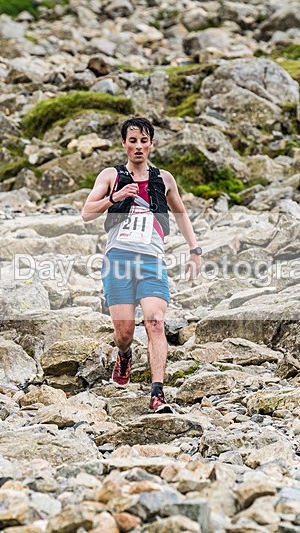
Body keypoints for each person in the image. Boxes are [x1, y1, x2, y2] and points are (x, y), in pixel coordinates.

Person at [81, 117, 203, 413]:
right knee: (123, 332)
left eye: (144, 141)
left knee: (155, 321)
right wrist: (116, 196)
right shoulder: (111, 175)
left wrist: (194, 249)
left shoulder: (165, 179)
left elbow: (181, 213)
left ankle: (157, 392)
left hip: (151, 260)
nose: (138, 146)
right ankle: (124, 356)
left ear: (152, 144)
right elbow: (86, 212)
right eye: (132, 141)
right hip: (118, 260)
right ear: (124, 143)